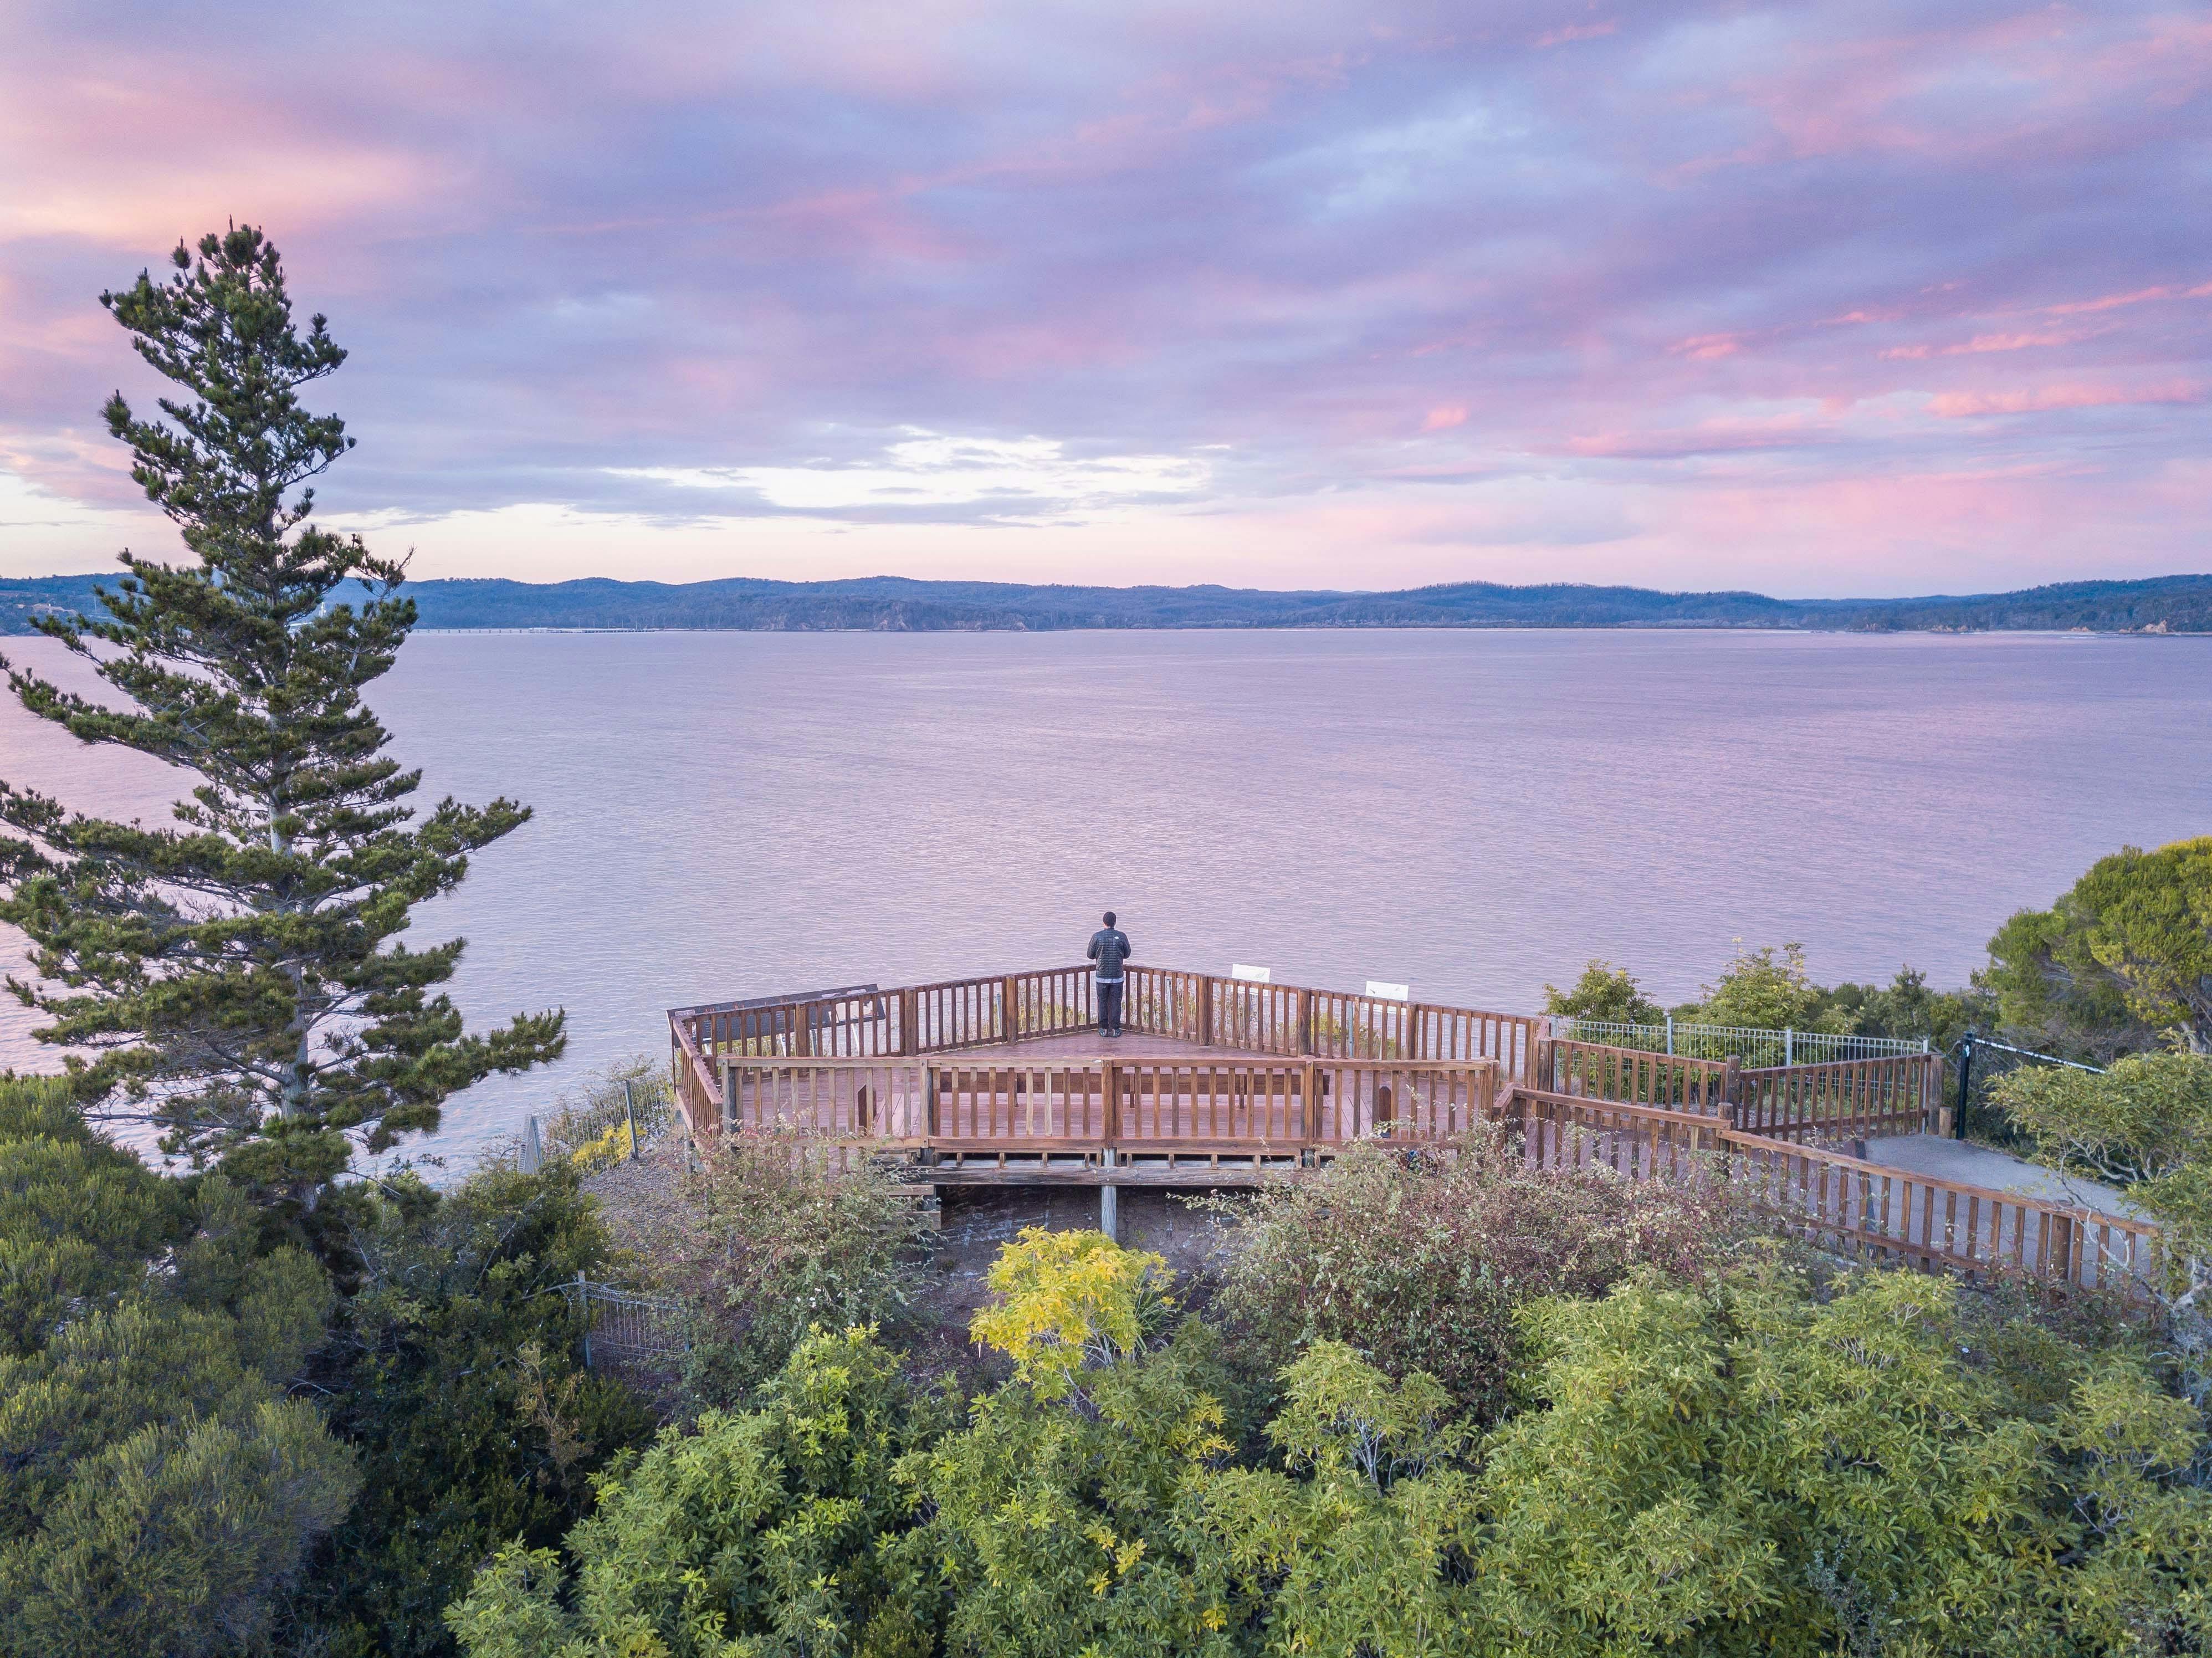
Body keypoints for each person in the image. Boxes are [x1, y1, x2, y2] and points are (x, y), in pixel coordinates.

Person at [1087, 910, 1133, 1037]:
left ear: (1104, 922)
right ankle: (1116, 1029)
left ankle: (1103, 1029)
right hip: (1117, 976)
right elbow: (1128, 954)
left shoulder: (1097, 937)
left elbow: (1090, 955)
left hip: (1102, 975)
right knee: (1116, 1002)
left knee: (1102, 1001)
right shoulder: (1122, 936)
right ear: (1115, 922)